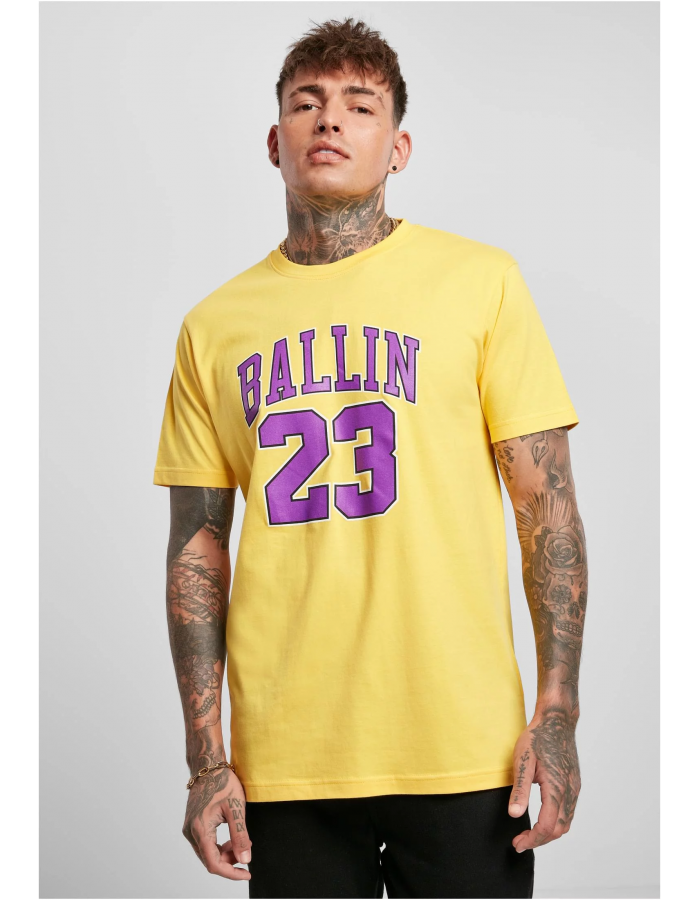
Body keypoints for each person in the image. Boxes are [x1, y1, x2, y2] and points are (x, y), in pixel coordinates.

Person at [153, 17, 587, 900]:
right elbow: (197, 548)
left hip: (466, 747)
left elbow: (547, 510)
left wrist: (557, 713)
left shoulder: (482, 283)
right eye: (306, 103)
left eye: (360, 105)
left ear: (399, 148)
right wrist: (206, 759)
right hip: (288, 759)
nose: (330, 121)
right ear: (274, 142)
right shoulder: (212, 326)